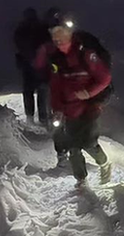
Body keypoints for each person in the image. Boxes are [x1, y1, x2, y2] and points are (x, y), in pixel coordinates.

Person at [35, 24, 113, 188]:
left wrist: (89, 92)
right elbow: (55, 88)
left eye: (62, 39)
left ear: (70, 37)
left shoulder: (86, 55)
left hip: (90, 108)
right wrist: (56, 110)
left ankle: (104, 164)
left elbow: (104, 78)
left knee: (89, 143)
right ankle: (81, 180)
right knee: (73, 147)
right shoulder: (57, 61)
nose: (59, 43)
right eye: (56, 41)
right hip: (70, 110)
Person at [13, 8, 51, 124]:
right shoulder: (42, 28)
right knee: (41, 91)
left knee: (29, 91)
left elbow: (18, 44)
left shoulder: (22, 29)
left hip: (28, 64)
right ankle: (42, 118)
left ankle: (31, 118)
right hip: (39, 64)